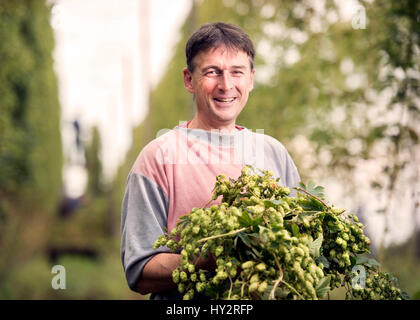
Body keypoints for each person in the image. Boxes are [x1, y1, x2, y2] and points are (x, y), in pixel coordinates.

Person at [120, 22, 301, 300]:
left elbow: (299, 243)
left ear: (251, 79)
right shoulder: (158, 157)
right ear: (189, 80)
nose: (226, 85)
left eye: (237, 72)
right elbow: (140, 271)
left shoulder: (275, 154)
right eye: (212, 72)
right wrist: (218, 255)